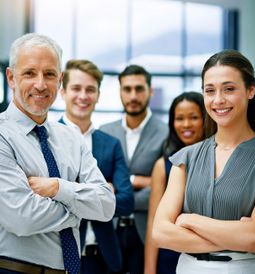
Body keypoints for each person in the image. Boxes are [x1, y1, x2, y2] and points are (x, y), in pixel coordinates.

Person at [0, 33, 115, 274]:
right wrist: (80, 208)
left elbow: (107, 206)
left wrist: (59, 188)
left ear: (60, 79)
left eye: (49, 74)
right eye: (29, 73)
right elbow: (22, 218)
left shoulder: (71, 137)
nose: (40, 84)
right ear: (11, 78)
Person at [152, 49, 255, 274]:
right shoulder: (185, 158)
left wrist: (189, 220)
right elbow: (160, 233)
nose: (218, 100)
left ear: (250, 90)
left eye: (229, 89)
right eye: (210, 91)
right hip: (187, 268)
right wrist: (236, 237)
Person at [59, 59, 134, 274]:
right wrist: (99, 195)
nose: (83, 96)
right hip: (59, 258)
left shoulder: (110, 144)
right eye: (76, 88)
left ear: (98, 96)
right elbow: (45, 201)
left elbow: (127, 201)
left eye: (90, 90)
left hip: (104, 260)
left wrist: (70, 193)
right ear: (63, 92)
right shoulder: (47, 137)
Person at [100, 65, 168, 274]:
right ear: (120, 91)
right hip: (108, 232)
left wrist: (118, 195)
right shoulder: (105, 133)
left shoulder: (166, 133)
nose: (133, 96)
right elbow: (97, 185)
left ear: (150, 91)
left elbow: (168, 189)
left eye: (139, 89)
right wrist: (142, 181)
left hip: (146, 232)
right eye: (127, 89)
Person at [144, 92, 205, 274]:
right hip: (169, 257)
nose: (186, 124)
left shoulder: (219, 160)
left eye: (193, 117)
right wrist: (149, 269)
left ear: (206, 119)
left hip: (208, 256)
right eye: (179, 118)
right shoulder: (163, 166)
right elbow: (153, 222)